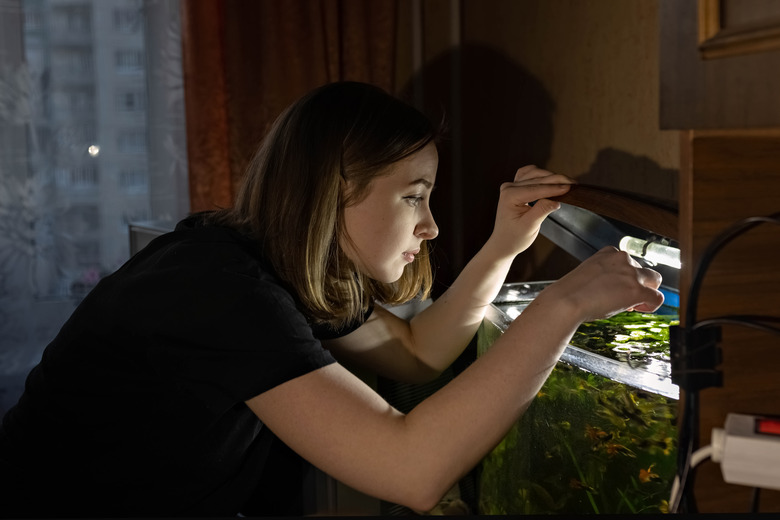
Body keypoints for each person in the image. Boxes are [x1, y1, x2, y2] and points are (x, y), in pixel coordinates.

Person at [0, 81, 663, 517]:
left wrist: (503, 249)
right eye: (414, 195)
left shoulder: (276, 267)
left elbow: (418, 353)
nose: (430, 225)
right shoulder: (216, 290)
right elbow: (411, 469)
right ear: (334, 189)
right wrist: (563, 305)